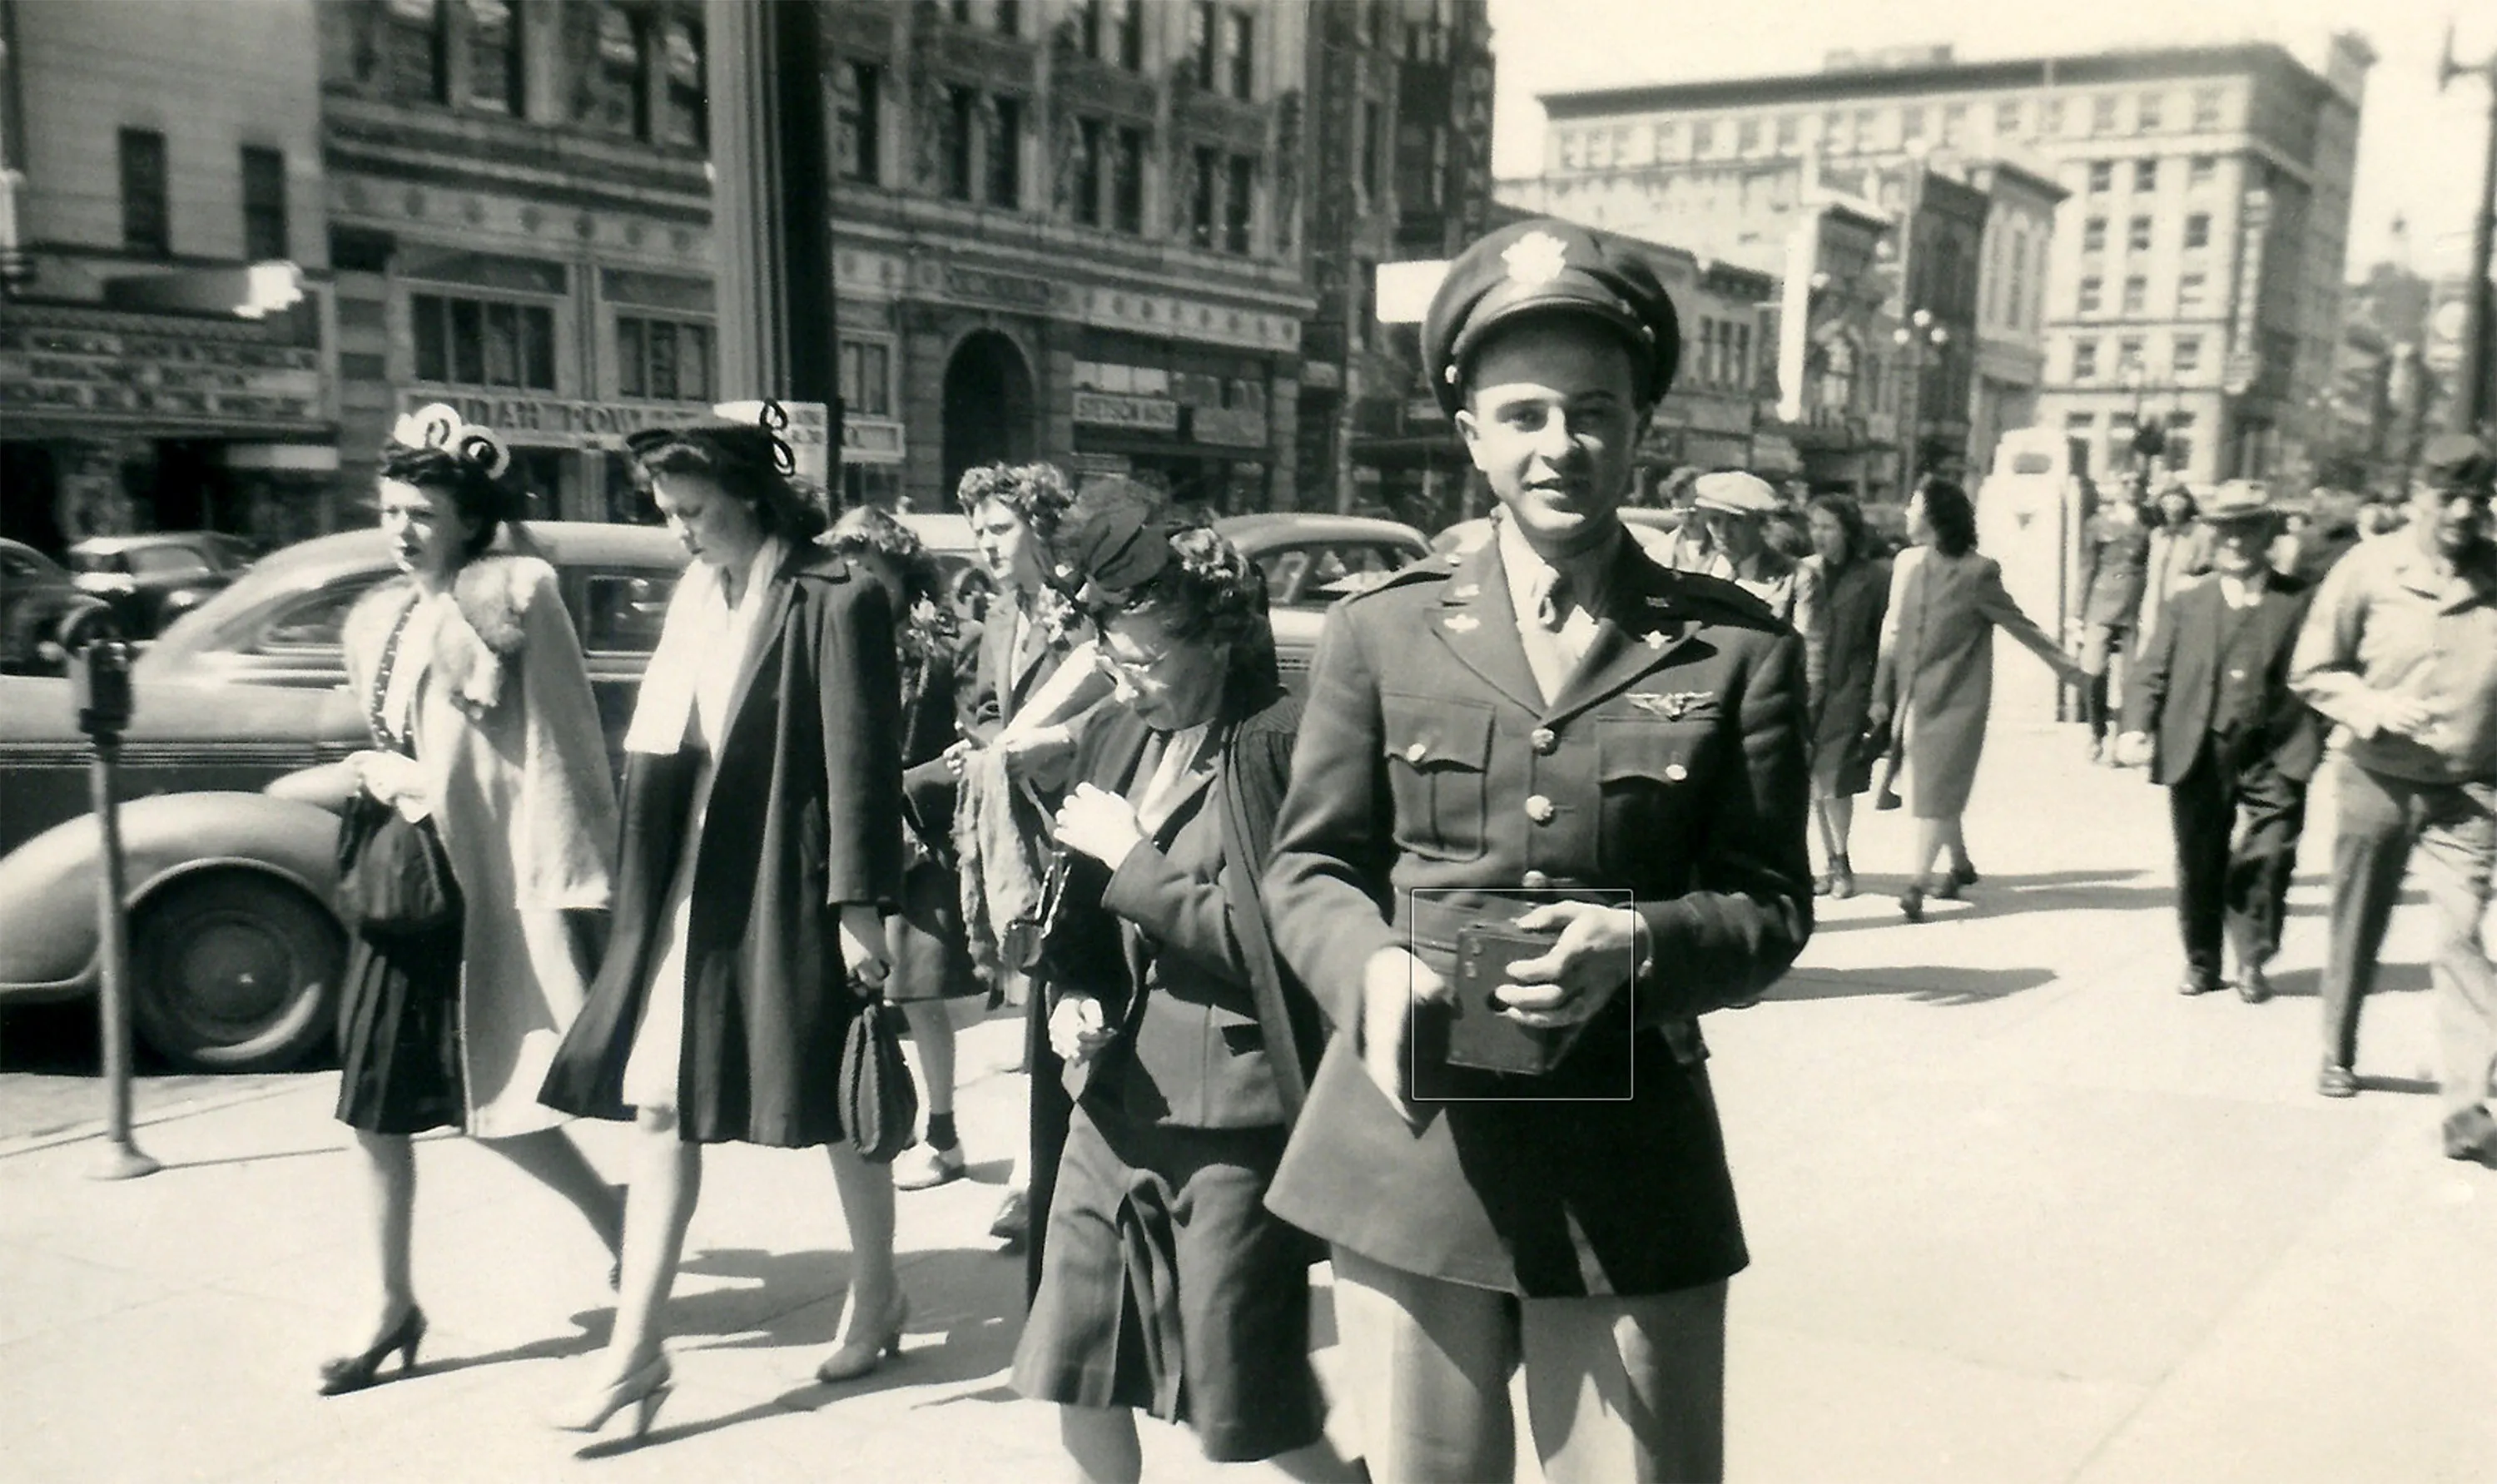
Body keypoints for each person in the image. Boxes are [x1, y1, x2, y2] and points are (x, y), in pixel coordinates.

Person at [1263, 218, 1814, 1483]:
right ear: (1472, 437)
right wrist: (1370, 972)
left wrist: (1645, 939)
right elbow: (1310, 866)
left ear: (1638, 429)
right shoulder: (1381, 634)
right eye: (1522, 415)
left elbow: (1769, 903)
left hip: (1630, 1158)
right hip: (1416, 1144)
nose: (1558, 445)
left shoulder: (1734, 649)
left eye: (1592, 411)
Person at [538, 409, 908, 1438]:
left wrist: (860, 908)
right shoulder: (701, 596)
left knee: (840, 1097)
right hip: (696, 889)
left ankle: (878, 1291)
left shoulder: (840, 594)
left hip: (794, 888)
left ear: (749, 495)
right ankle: (636, 1353)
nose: (678, 529)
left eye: (692, 510)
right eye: (666, 510)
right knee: (660, 1106)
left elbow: (860, 768)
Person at [1010, 514, 1353, 1482]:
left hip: (1231, 1128)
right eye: (1109, 658)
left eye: (1144, 662)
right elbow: (1083, 907)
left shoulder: (1284, 744)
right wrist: (1070, 992)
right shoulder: (1120, 730)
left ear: (1216, 636)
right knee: (1072, 1371)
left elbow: (1287, 949)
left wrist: (1136, 861)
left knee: (1249, 1406)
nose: (1122, 683)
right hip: (1109, 1107)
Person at [297, 405, 624, 1397]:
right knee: (383, 1108)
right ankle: (394, 1300)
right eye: (391, 509)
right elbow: (399, 739)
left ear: (467, 521)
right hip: (400, 878)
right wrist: (379, 771)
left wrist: (577, 887)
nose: (402, 529)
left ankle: (619, 1223)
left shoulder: (509, 601)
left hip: (475, 882)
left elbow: (566, 748)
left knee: (497, 1095)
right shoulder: (383, 616)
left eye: (423, 512)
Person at [2288, 434, 2497, 1164]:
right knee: (2358, 920)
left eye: (2480, 497)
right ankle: (2337, 1047)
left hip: (2469, 792)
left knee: (2463, 935)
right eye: (2449, 497)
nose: (2465, 512)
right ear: (2418, 496)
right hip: (2376, 777)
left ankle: (2468, 1105)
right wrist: (2368, 704)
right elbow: (2313, 668)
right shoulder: (2369, 568)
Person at [941, 462, 1114, 1249]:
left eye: (1001, 527)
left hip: (1083, 819)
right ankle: (1036, 1170)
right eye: (978, 531)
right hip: (1021, 828)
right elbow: (984, 710)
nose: (987, 543)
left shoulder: (1086, 612)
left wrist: (1049, 748)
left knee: (1075, 993)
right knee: (1038, 996)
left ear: (1042, 528)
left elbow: (1120, 703)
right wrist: (980, 752)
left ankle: (1049, 1172)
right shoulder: (1001, 614)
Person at [830, 507, 988, 1192]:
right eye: (851, 567)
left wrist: (908, 792)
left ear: (903, 573)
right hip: (851, 836)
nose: (861, 581)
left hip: (918, 842)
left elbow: (973, 748)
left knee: (919, 993)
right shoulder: (835, 636)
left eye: (874, 569)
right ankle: (865, 1118)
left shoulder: (949, 643)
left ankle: (943, 1132)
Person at [2115, 483, 2321, 1001]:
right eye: (2224, 529)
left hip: (2275, 750)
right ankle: (2202, 960)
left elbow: (2323, 672)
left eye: (2246, 528)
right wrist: (2136, 725)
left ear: (2268, 534)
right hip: (2199, 748)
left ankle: (2253, 959)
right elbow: (2151, 671)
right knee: (2199, 859)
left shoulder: (2297, 603)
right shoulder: (2188, 604)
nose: (2233, 540)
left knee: (2270, 856)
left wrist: (2317, 733)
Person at [1871, 478, 2086, 922]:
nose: (1907, 513)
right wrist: (1882, 694)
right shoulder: (1912, 567)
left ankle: (1915, 884)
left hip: (1957, 703)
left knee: (1932, 792)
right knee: (1937, 788)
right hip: (1914, 700)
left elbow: (2021, 626)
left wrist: (2074, 673)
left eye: (1914, 505)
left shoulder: (1978, 573)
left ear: (1936, 516)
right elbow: (1896, 637)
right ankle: (1960, 864)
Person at [1802, 493, 1891, 899]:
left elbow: (1884, 642)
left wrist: (1880, 696)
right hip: (1810, 688)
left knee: (1835, 778)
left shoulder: (1873, 578)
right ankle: (1829, 862)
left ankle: (1842, 862)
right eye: (1814, 526)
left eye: (1828, 527)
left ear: (1848, 531)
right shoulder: (1806, 573)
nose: (1818, 535)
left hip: (1852, 687)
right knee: (1815, 782)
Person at [2074, 479, 2152, 762]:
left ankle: (2123, 739)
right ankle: (2096, 733)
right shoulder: (2098, 522)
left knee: (2133, 677)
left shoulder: (2150, 521)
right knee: (2093, 671)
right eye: (2125, 482)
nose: (2132, 487)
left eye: (2138, 483)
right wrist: (2076, 614)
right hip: (2101, 602)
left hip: (2137, 604)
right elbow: (2086, 567)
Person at [2135, 482, 2212, 654]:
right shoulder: (2156, 535)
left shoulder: (2202, 534)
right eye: (2167, 503)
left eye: (2178, 502)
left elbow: (2208, 572)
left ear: (2188, 504)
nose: (2172, 508)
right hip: (2152, 609)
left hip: (2185, 610)